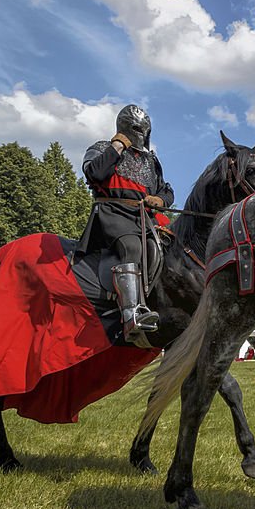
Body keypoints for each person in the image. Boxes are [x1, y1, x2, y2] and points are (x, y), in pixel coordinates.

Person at [80, 104, 174, 347]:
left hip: (144, 217)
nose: (139, 133)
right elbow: (95, 174)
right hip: (113, 214)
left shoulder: (150, 160)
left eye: (143, 129)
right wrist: (118, 145)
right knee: (131, 246)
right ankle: (131, 315)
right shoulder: (103, 148)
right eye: (135, 129)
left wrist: (161, 200)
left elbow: (166, 189)